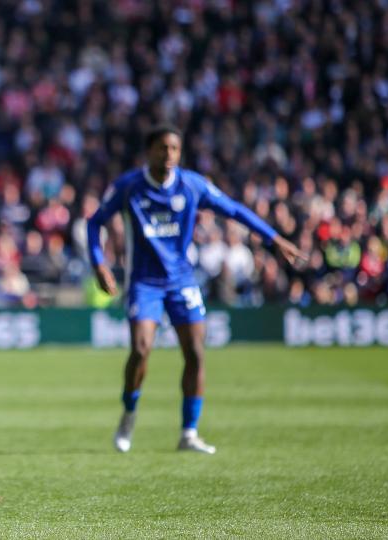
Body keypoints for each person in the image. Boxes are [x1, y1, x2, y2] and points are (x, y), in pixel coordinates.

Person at [87, 125, 303, 454]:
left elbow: (234, 210)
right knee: (142, 349)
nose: (169, 155)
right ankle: (129, 412)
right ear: (149, 152)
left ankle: (189, 433)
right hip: (144, 282)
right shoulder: (129, 186)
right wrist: (99, 263)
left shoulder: (191, 184)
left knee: (196, 354)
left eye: (174, 148)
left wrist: (274, 239)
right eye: (163, 148)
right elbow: (94, 222)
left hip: (181, 281)